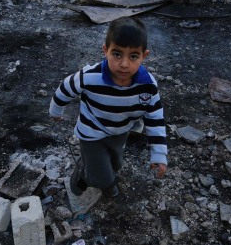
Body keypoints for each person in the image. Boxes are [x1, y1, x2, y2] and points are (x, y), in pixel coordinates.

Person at [49, 17, 167, 198]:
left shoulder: (148, 86)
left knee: (116, 164)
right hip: (91, 133)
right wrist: (55, 111)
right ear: (106, 51)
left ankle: (93, 168)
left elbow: (155, 118)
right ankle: (86, 175)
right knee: (102, 176)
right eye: (117, 54)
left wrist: (159, 154)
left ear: (144, 56)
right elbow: (65, 89)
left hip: (119, 132)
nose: (124, 64)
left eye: (133, 56)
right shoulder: (89, 76)